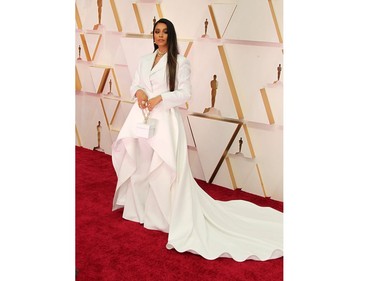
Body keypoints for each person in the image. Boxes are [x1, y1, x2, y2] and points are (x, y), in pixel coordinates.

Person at [111, 18, 283, 262]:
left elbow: (185, 94)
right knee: (140, 163)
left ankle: (161, 216)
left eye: (165, 32)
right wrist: (139, 92)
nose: (160, 36)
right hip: (141, 118)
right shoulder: (144, 60)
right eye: (157, 32)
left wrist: (159, 98)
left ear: (171, 35)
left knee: (162, 168)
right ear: (153, 35)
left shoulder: (181, 62)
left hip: (165, 122)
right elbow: (137, 84)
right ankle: (138, 210)